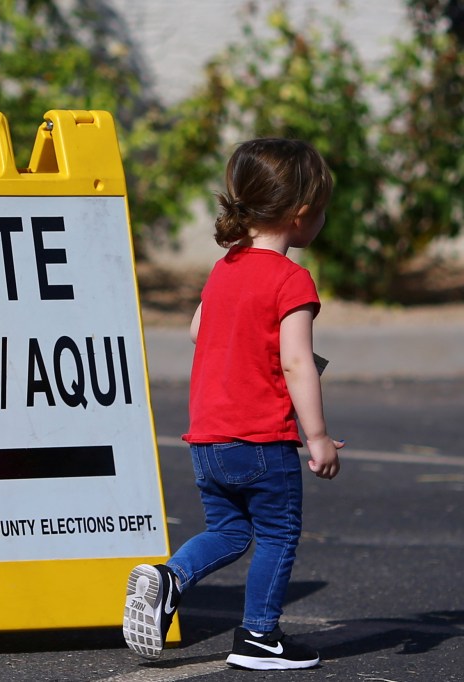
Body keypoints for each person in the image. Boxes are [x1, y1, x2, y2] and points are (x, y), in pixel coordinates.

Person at [123, 138, 344, 670]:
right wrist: (315, 437)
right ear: (302, 214)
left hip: (209, 438)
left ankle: (170, 576)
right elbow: (293, 364)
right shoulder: (292, 279)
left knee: (229, 530)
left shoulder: (227, 267)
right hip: (262, 440)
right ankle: (260, 637)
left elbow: (201, 329)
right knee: (276, 533)